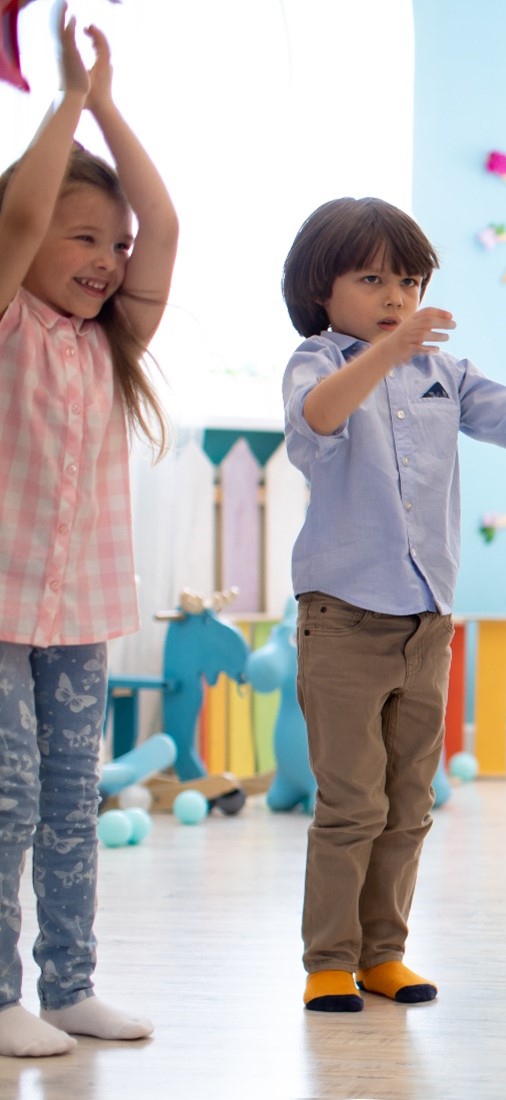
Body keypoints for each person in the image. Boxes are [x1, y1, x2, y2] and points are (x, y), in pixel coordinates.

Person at [281, 197, 506, 1012]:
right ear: (320, 286)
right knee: (350, 803)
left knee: (409, 803)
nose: (395, 297)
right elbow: (321, 418)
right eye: (372, 278)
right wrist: (389, 350)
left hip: (425, 621)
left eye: (408, 282)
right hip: (343, 618)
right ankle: (328, 961)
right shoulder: (316, 360)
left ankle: (384, 953)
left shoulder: (447, 374)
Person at [0, 6, 174, 1057]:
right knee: (5, 798)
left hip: (78, 610)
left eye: (115, 245)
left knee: (72, 797)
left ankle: (70, 983)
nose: (109, 258)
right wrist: (66, 100)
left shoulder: (109, 341)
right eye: (86, 237)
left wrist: (110, 103)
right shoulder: (12, 317)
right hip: (0, 606)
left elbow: (167, 228)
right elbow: (19, 221)